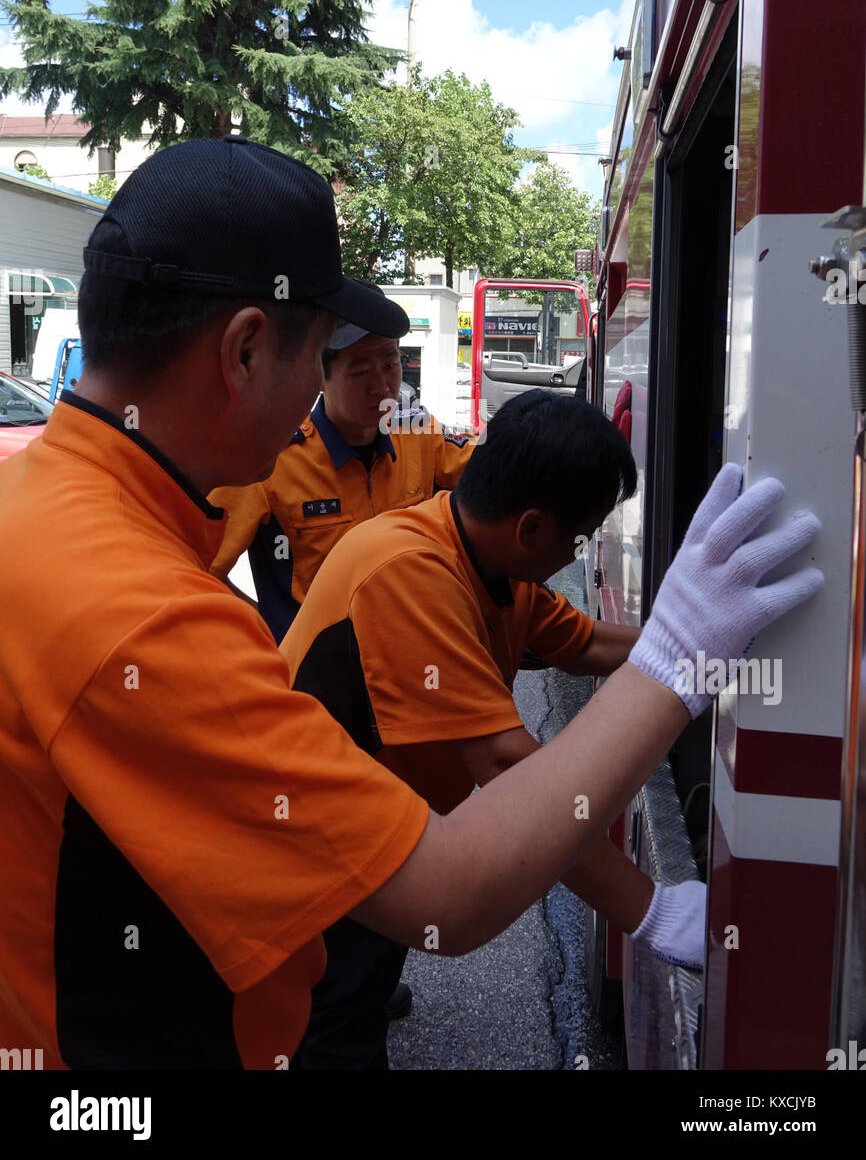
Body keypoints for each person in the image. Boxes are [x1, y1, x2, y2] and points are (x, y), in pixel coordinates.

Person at [0, 136, 823, 1070]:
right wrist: (679, 658)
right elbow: (446, 891)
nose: (356, 394)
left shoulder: (41, 508)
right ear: (244, 350)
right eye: (322, 360)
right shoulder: (147, 616)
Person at [280, 388, 693, 1067]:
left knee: (365, 985)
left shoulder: (488, 555)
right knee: (330, 1019)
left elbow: (583, 644)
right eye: (579, 536)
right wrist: (650, 909)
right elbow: (509, 772)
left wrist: (686, 646)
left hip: (386, 833)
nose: (578, 553)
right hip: (315, 852)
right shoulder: (410, 571)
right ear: (532, 528)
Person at [209, 285, 475, 643]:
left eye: (391, 362)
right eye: (361, 372)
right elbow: (197, 567)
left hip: (409, 650)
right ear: (319, 375)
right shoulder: (271, 457)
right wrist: (258, 632)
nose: (382, 386)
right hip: (312, 676)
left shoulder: (418, 433)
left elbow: (491, 473)